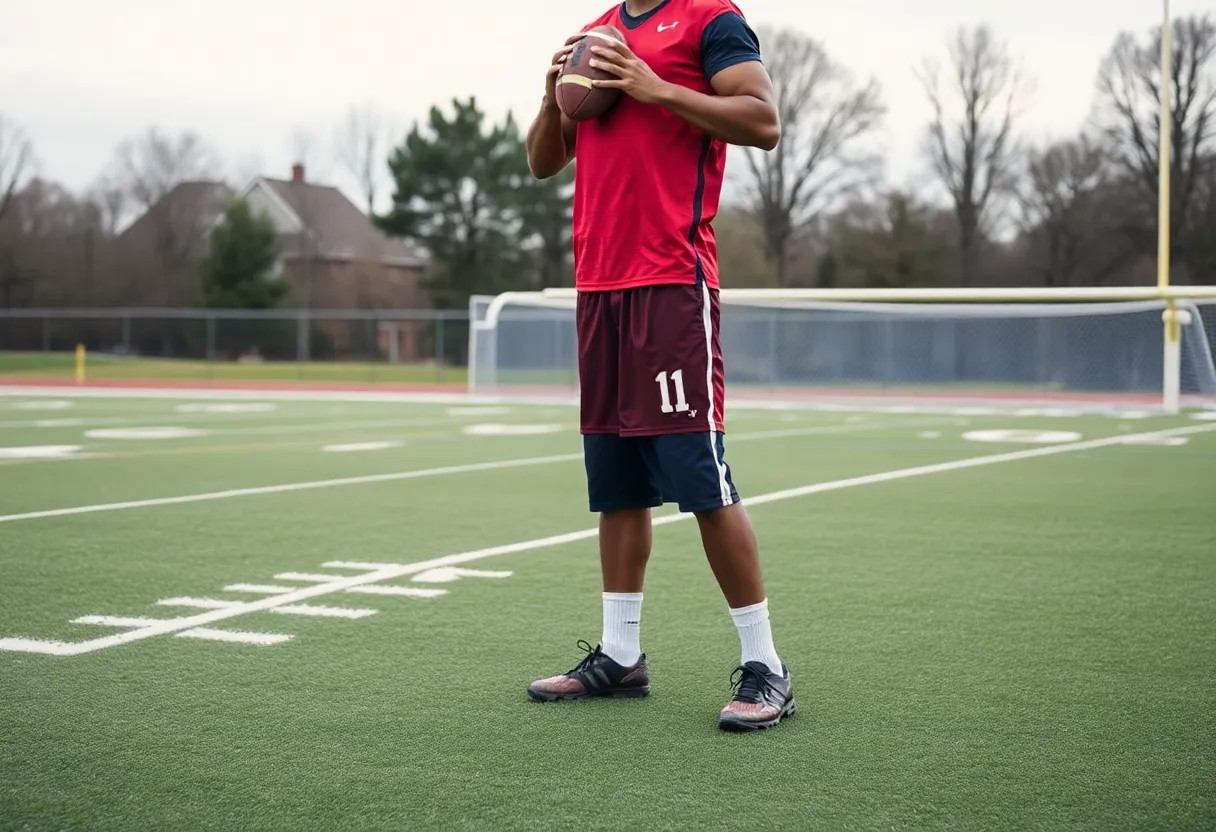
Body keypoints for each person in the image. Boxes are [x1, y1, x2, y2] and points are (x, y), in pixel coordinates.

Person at [523, 0, 793, 732]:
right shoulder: (597, 31)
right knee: (615, 485)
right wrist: (553, 97)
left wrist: (655, 86)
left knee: (702, 482)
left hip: (672, 286)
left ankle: (767, 666)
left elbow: (764, 122)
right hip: (599, 289)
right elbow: (543, 160)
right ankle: (620, 655)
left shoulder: (713, 19)